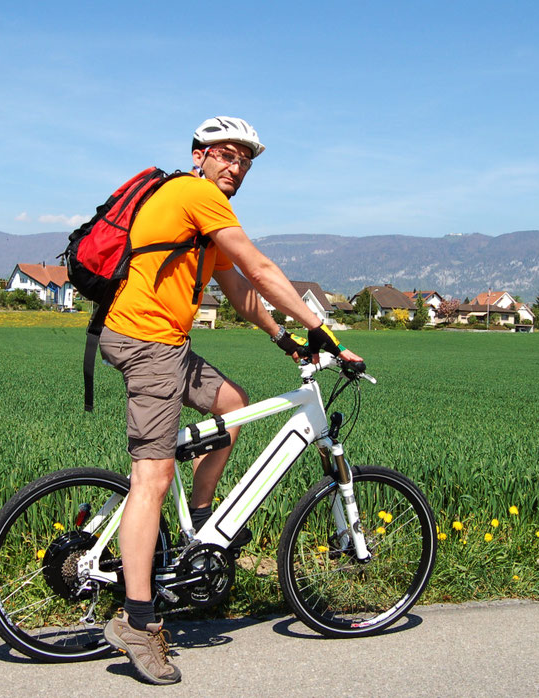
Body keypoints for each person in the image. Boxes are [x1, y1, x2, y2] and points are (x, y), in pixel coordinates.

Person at [100, 116, 362, 685]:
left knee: (232, 405)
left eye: (244, 160)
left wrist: (284, 338)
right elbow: (261, 269)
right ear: (199, 155)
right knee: (151, 478)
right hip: (148, 345)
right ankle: (137, 625)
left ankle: (199, 523)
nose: (235, 167)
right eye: (225, 155)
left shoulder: (199, 215)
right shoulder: (193, 193)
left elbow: (241, 292)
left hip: (167, 342)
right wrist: (327, 333)